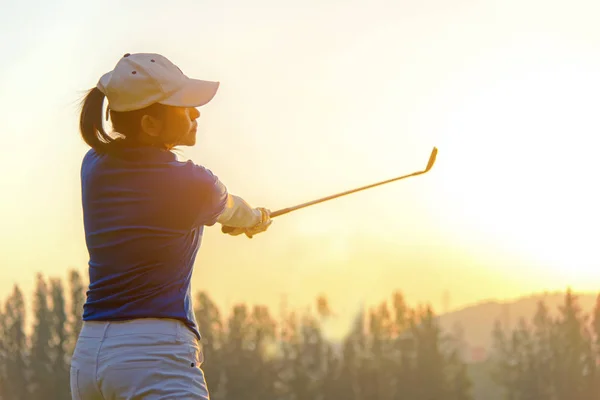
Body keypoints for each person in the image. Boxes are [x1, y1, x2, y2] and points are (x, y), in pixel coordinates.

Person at [70, 52, 272, 400]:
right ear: (149, 124)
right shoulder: (194, 183)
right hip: (153, 355)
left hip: (89, 355)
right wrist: (256, 219)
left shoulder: (94, 164)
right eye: (182, 105)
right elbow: (233, 209)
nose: (195, 113)